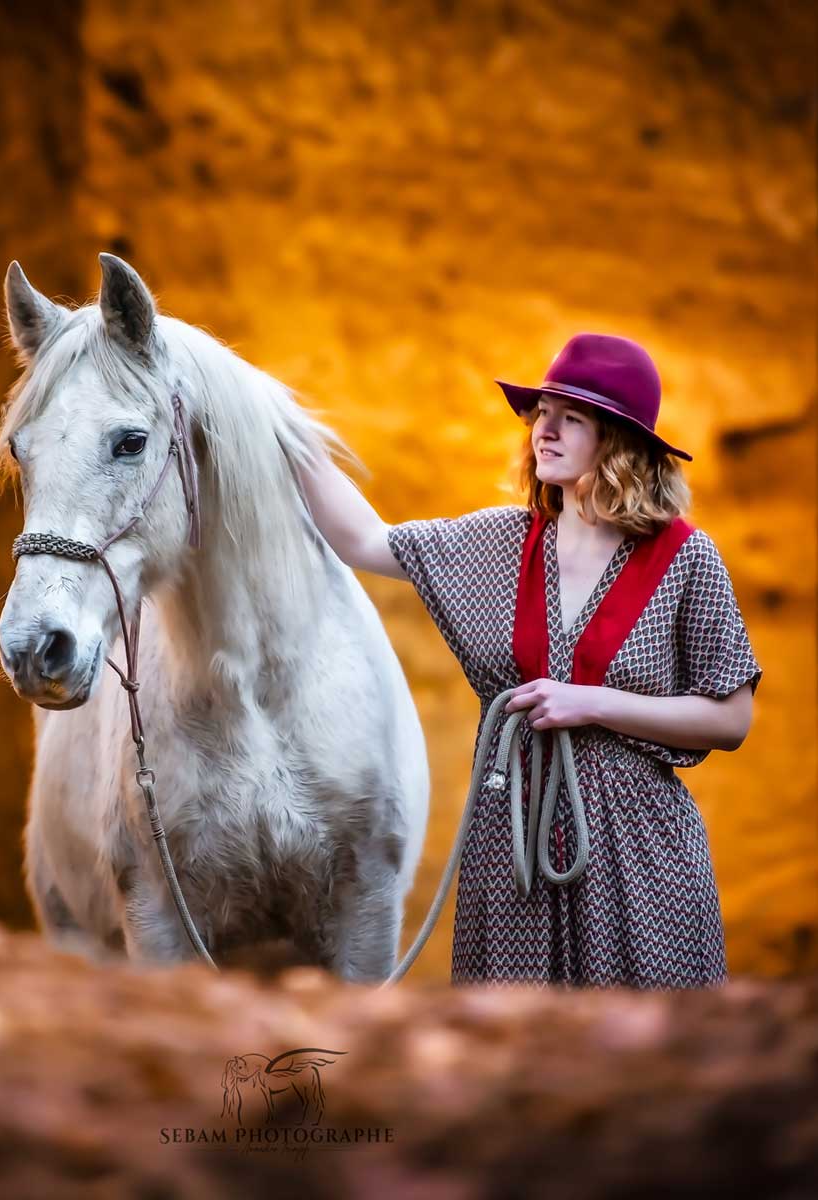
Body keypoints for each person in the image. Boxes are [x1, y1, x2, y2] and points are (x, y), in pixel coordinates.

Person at [298, 332, 762, 989]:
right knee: (511, 1037)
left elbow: (732, 718)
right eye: (542, 412)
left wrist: (591, 703)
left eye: (571, 418)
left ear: (619, 442)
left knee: (646, 1037)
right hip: (510, 851)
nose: (544, 430)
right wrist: (282, 430)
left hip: (641, 856)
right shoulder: (499, 542)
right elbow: (364, 540)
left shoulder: (686, 558)